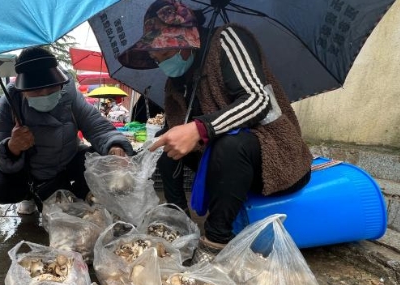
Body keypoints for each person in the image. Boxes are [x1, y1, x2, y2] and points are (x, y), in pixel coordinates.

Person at [118, 0, 312, 263]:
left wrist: (200, 128)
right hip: (222, 167)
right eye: (155, 57)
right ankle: (178, 223)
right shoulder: (178, 81)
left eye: (165, 54)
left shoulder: (228, 39)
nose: (161, 62)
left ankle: (216, 241)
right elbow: (175, 131)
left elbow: (257, 100)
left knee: (229, 145)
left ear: (186, 43)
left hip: (272, 152)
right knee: (166, 152)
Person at [0, 46, 133, 214]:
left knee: (100, 162)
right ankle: (28, 196)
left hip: (67, 163)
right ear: (22, 90)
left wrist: (115, 146)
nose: (45, 94)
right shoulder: (10, 104)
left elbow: (97, 127)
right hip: (31, 172)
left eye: (52, 87)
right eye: (36, 90)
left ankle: (78, 194)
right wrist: (12, 147)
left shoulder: (71, 96)